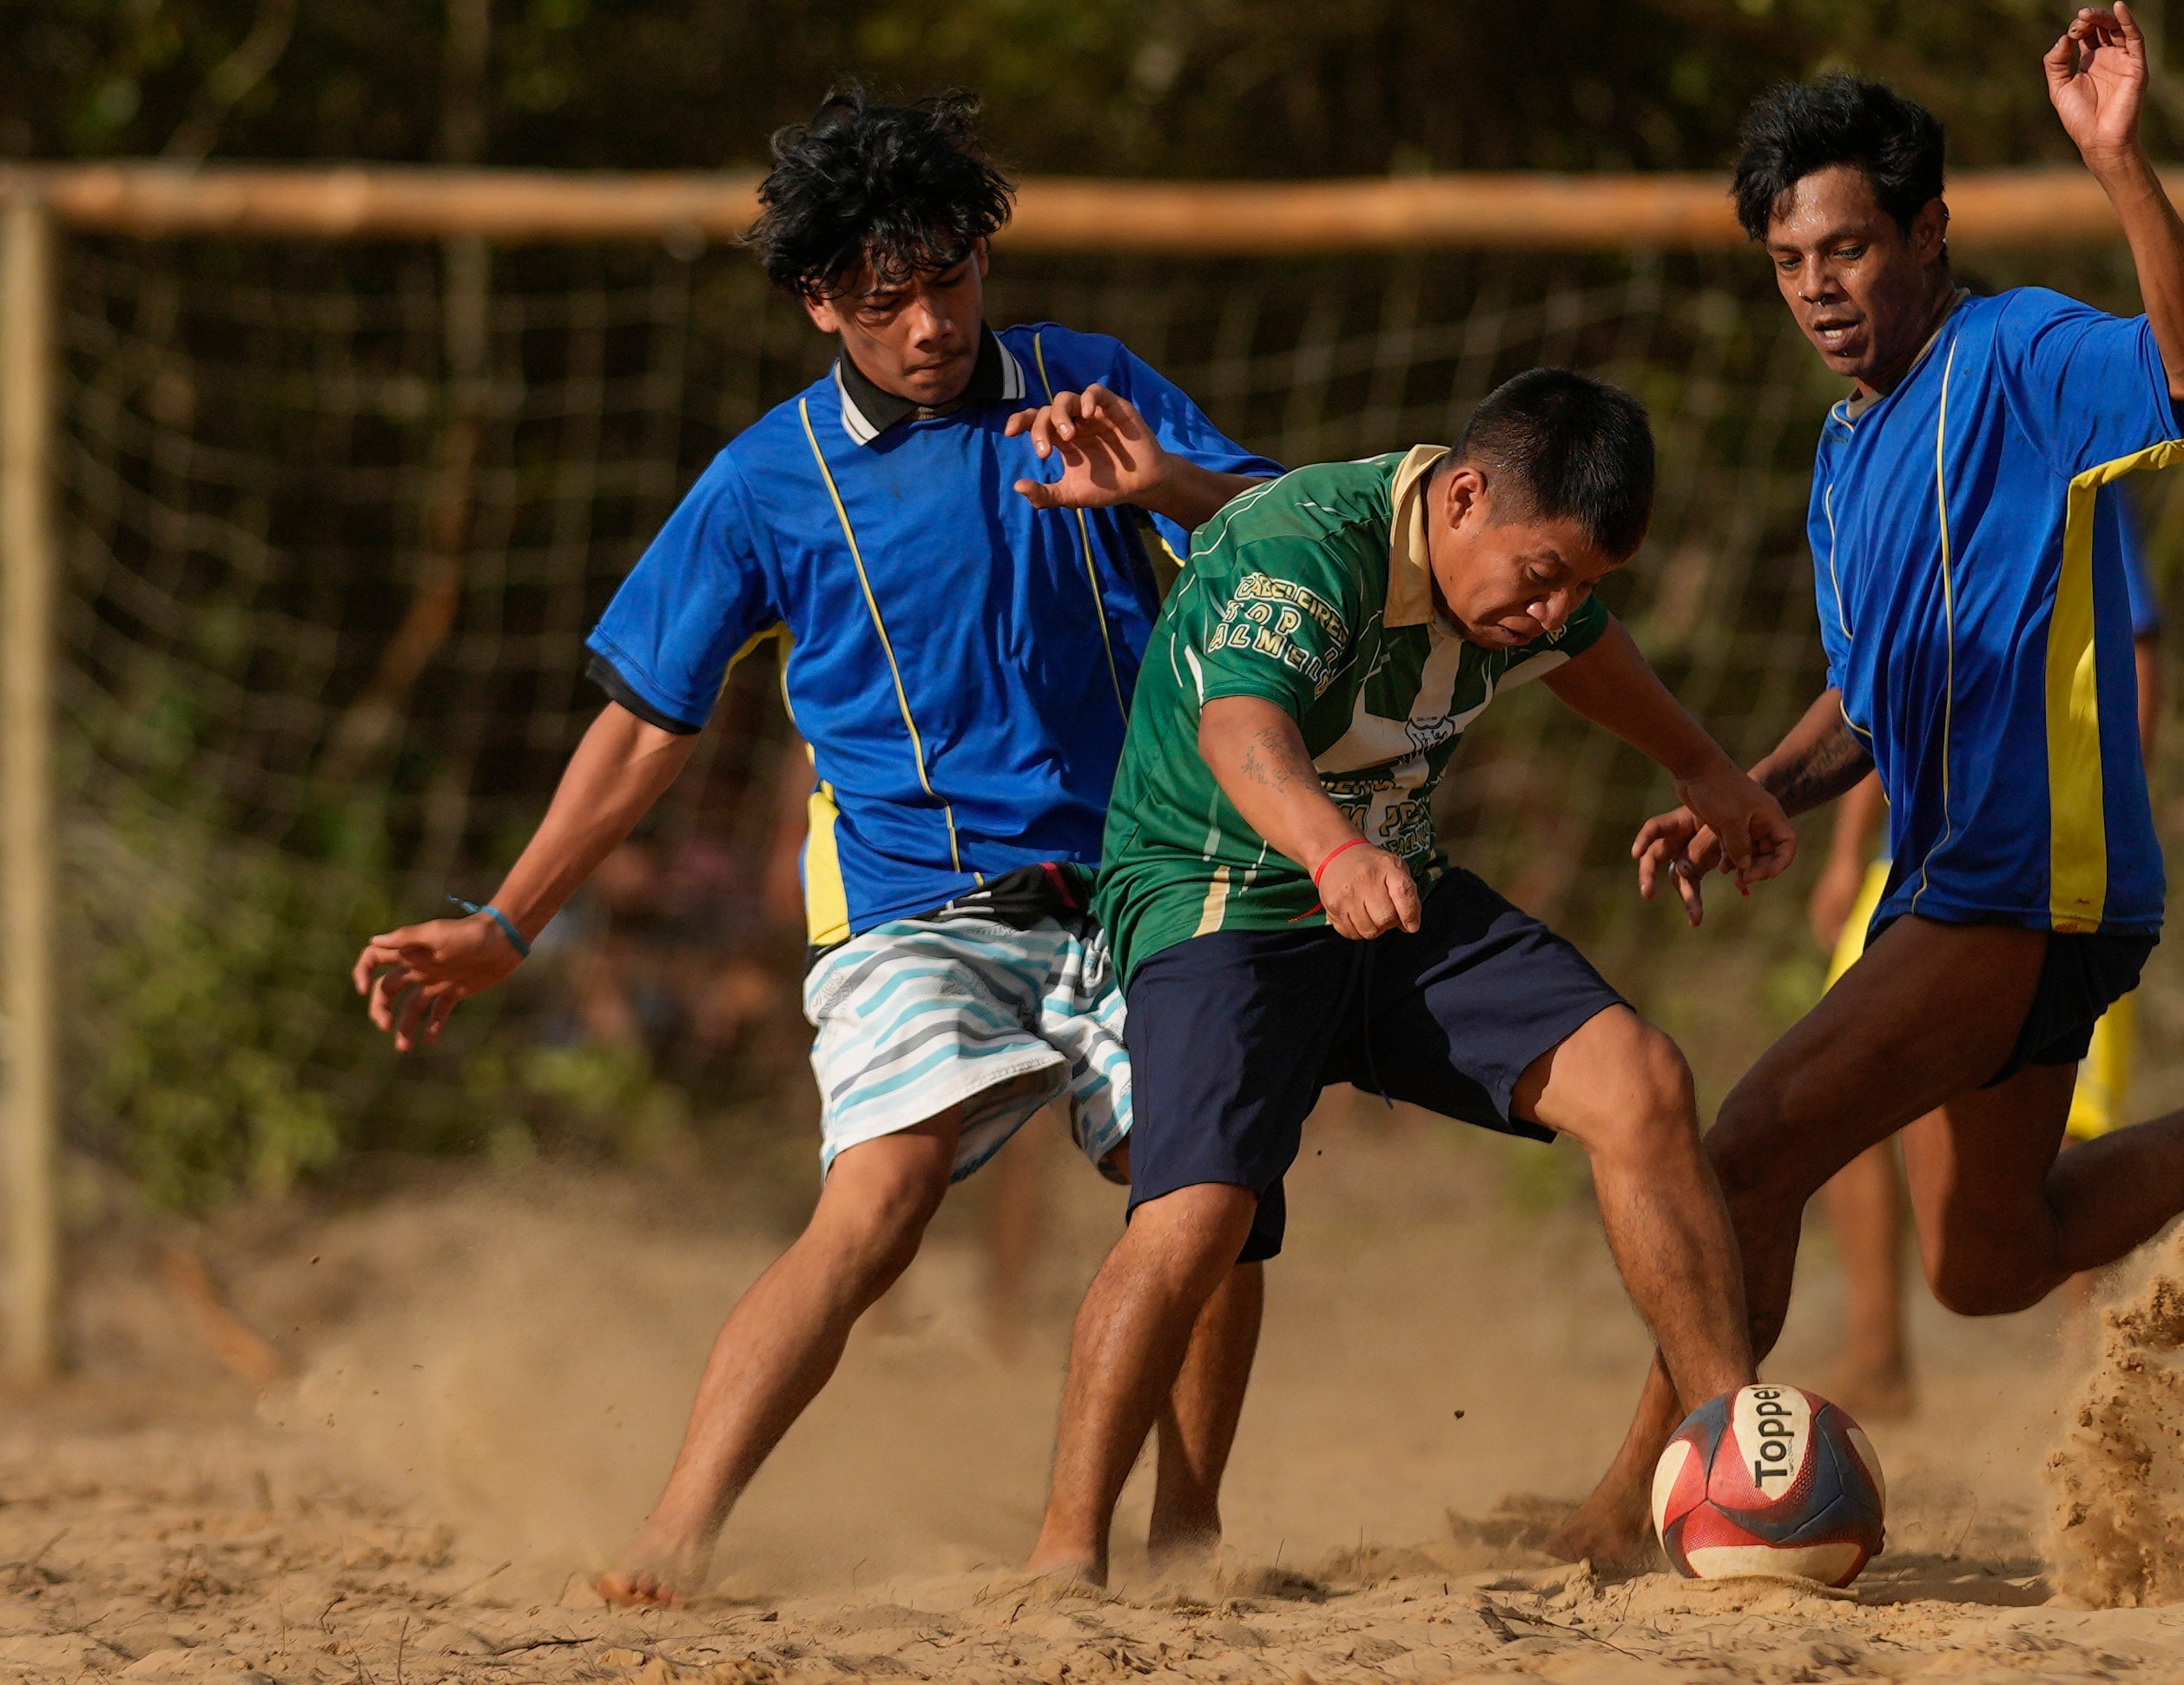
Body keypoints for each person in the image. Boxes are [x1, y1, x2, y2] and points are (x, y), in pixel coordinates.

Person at [1545, 5, 2184, 1569]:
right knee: (1987, 1261)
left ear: (1926, 232)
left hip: (2024, 882)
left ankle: (1642, 1504)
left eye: (1847, 248)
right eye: (1789, 260)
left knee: (1746, 1152)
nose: (1817, 286)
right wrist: (1748, 788)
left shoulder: (2017, 352)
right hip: (1962, 887)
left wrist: (2116, 160)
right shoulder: (1844, 450)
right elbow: (1865, 697)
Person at [350, 83, 1283, 1603]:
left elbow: (1286, 538)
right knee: (879, 1200)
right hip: (915, 909)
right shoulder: (761, 484)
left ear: (984, 256)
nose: (928, 323)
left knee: (1210, 1193)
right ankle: (674, 1534)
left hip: (1137, 881)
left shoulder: (1089, 382)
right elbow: (645, 727)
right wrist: (507, 921)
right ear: (818, 304)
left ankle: (1186, 1538)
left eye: (949, 279)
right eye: (883, 297)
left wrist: (1164, 481)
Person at [1017, 369, 1793, 1584]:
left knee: (1642, 1084)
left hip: (1393, 889)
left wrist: (1703, 766)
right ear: (1465, 496)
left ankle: (1735, 1460)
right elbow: (1241, 728)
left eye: (1586, 583)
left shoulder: (1520, 574)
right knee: (1203, 1215)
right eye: (1545, 575)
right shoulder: (1310, 547)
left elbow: (1588, 653)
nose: (1555, 609)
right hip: (1218, 892)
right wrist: (1331, 852)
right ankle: (1068, 1558)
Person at [1805, 487, 2164, 1415]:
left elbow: (2134, 649)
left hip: (2055, 861)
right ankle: (1877, 1357)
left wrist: (2107, 809)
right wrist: (1846, 854)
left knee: (2073, 1126)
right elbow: (1884, 688)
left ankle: (2097, 1384)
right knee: (1830, 1098)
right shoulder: (1888, 475)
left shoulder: (2071, 466)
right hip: (1910, 866)